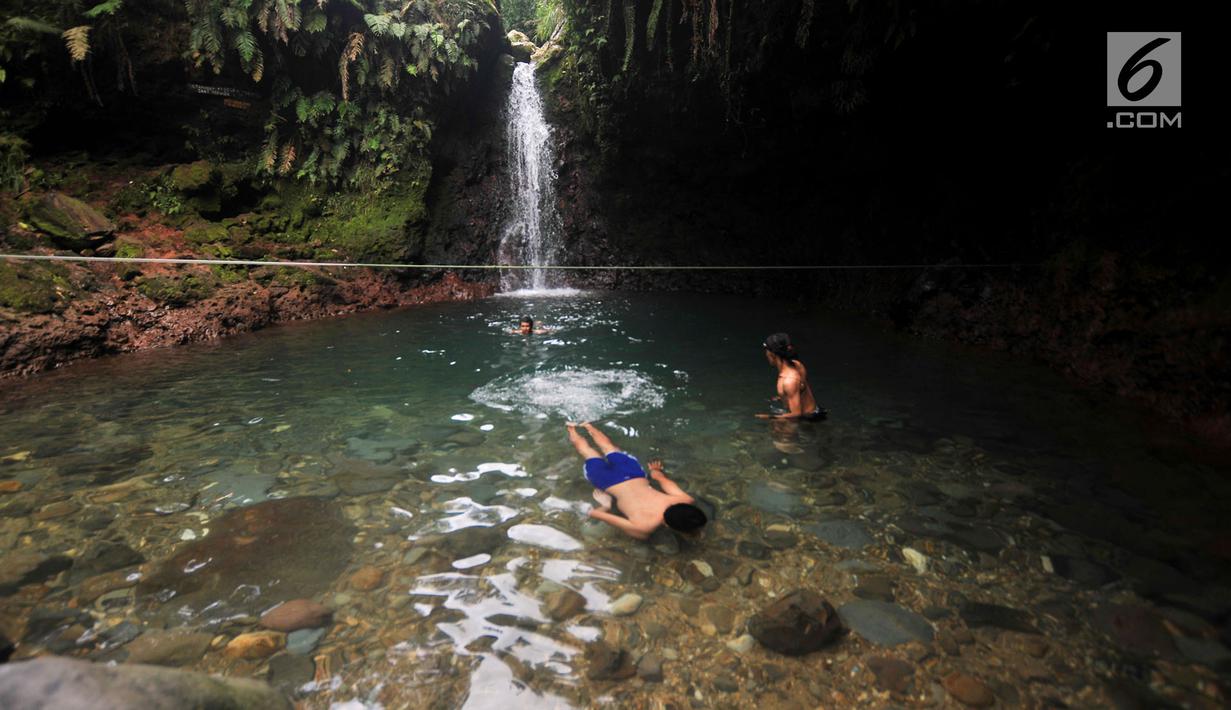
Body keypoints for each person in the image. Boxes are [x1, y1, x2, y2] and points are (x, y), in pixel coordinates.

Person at [566, 422, 707, 540]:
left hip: (632, 474)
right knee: (587, 452)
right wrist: (606, 505)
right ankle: (571, 428)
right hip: (607, 482)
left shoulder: (685, 499)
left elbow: (663, 481)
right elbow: (592, 513)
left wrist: (655, 472)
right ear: (669, 526)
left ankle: (586, 425)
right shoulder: (643, 527)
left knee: (609, 447)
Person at [756, 332, 827, 421]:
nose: (765, 354)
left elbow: (796, 415)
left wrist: (768, 417)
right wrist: (782, 397)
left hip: (807, 420)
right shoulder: (797, 365)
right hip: (816, 412)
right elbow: (800, 388)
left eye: (766, 351)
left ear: (772, 354)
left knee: (777, 428)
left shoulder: (789, 381)